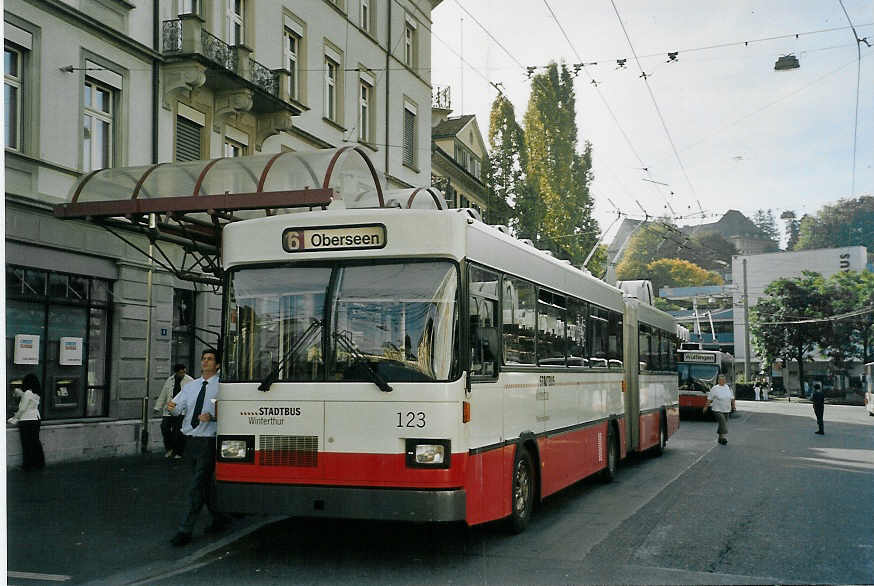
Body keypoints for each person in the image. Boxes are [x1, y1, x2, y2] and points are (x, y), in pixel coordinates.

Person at [168, 348, 231, 546]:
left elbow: (231, 414)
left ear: (218, 365)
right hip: (190, 440)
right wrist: (171, 407)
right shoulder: (191, 386)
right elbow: (178, 408)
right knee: (204, 484)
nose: (205, 362)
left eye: (210, 359)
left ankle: (185, 530)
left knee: (196, 485)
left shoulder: (223, 387)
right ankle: (220, 518)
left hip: (208, 441)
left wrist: (212, 417)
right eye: (203, 358)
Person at [154, 363, 193, 459]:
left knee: (178, 432)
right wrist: (157, 407)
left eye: (184, 372)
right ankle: (169, 449)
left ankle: (178, 452)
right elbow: (163, 394)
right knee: (165, 428)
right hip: (169, 410)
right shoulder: (169, 380)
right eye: (181, 372)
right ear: (176, 372)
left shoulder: (190, 380)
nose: (183, 374)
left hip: (182, 411)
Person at [8, 373, 46, 470]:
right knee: (35, 443)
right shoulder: (37, 393)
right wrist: (20, 393)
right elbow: (28, 400)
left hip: (26, 420)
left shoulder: (28, 393)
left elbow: (23, 409)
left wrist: (14, 419)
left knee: (26, 444)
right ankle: (39, 463)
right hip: (36, 419)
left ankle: (27, 465)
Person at [704, 374, 734, 445]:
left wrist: (733, 406)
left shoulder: (728, 388)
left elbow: (732, 398)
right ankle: (723, 438)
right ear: (718, 381)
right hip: (717, 409)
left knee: (722, 424)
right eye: (721, 380)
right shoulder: (715, 388)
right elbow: (709, 399)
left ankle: (720, 438)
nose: (723, 381)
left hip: (727, 409)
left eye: (724, 380)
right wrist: (705, 407)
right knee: (723, 422)